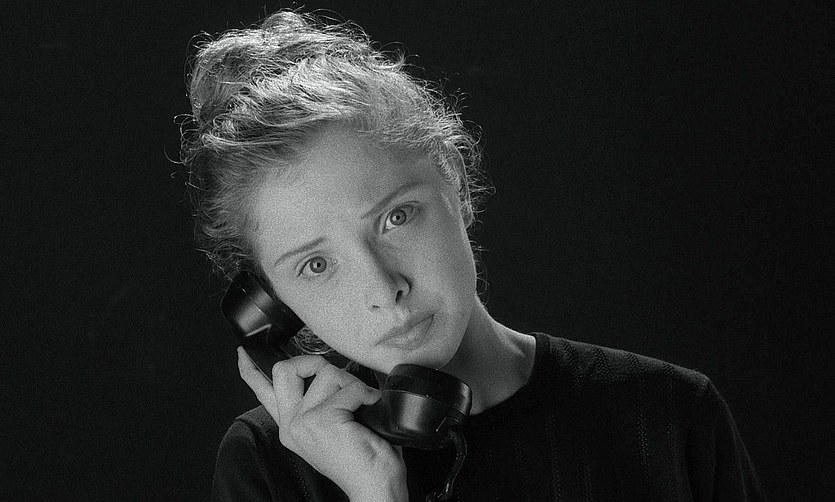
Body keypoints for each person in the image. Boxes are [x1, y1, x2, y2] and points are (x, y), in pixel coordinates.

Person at [180, 9, 765, 502]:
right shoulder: (268, 466)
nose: (384, 290)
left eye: (396, 217)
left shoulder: (670, 416)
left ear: (454, 182)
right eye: (316, 265)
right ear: (271, 303)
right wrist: (375, 492)